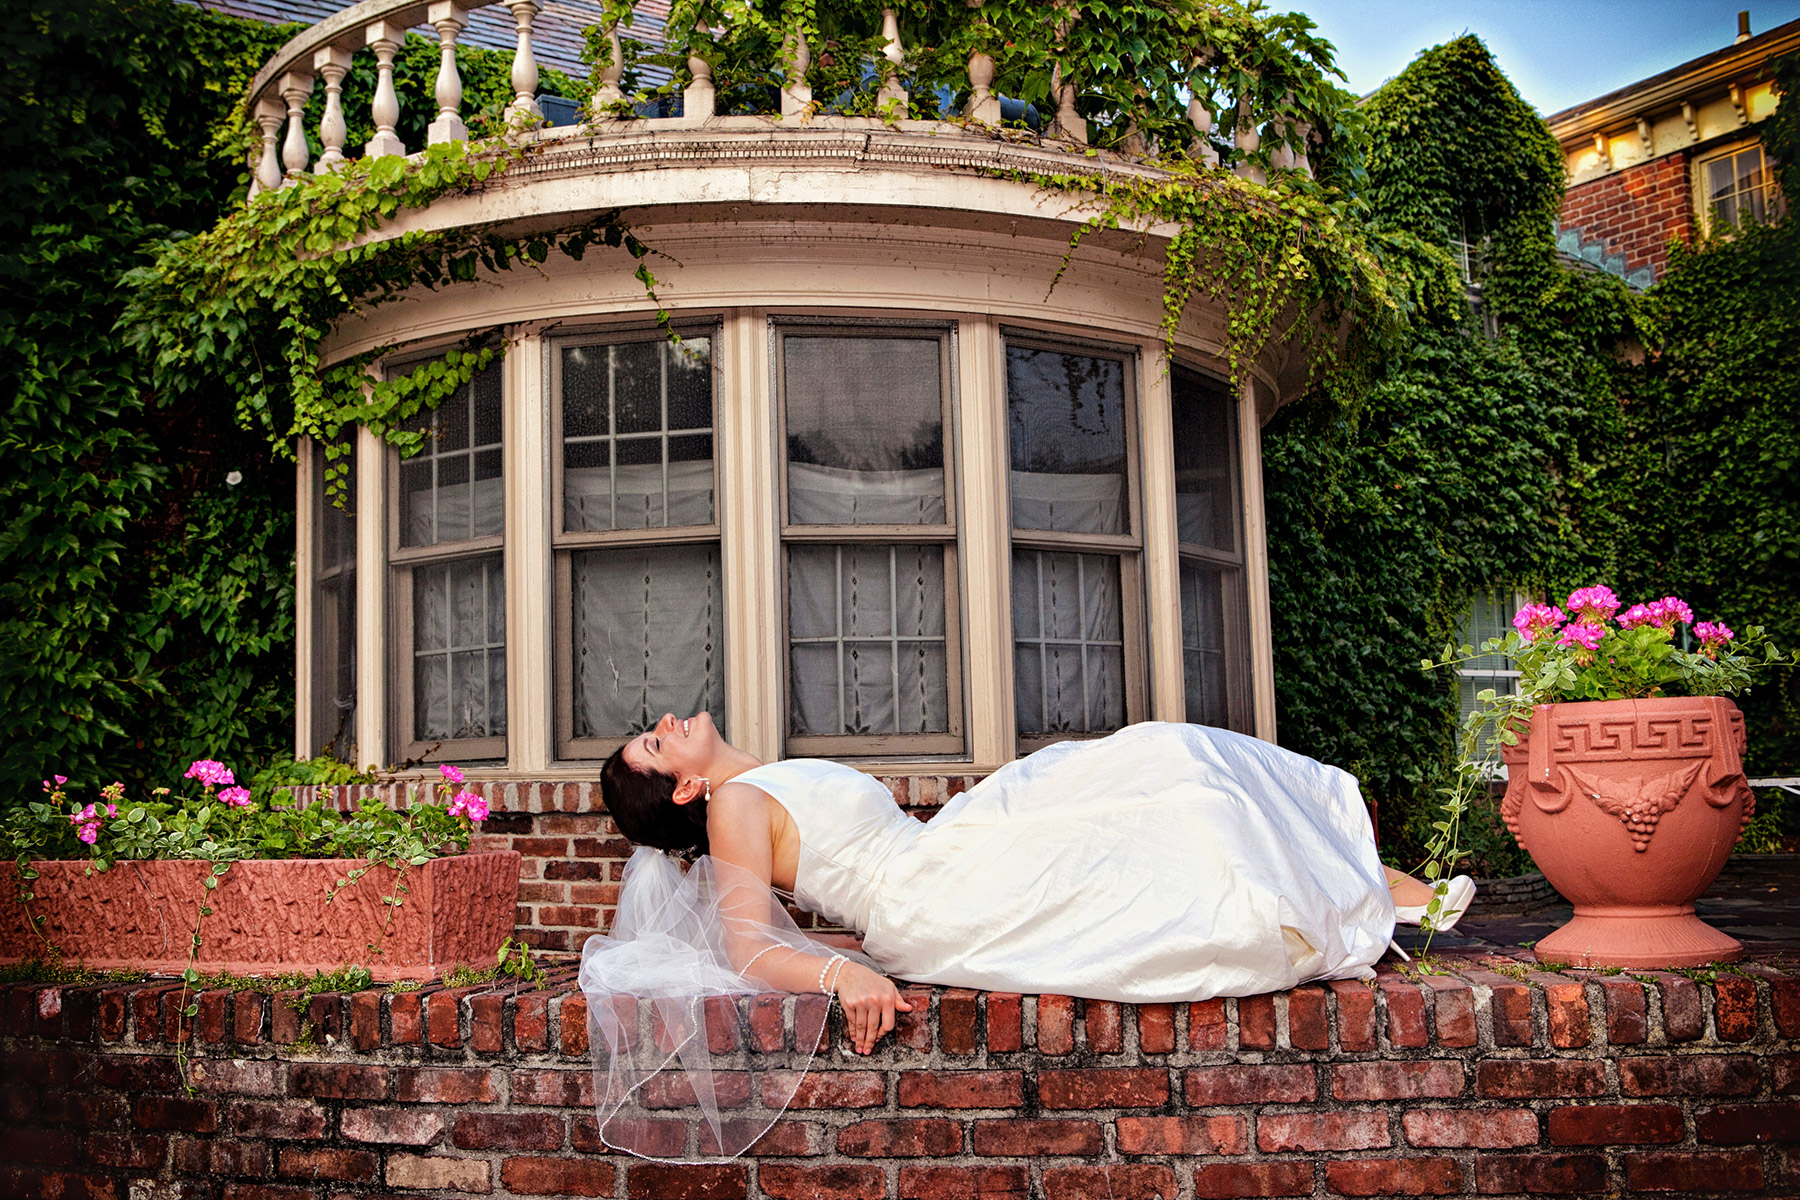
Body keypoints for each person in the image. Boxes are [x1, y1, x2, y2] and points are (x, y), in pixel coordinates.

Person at [580, 712, 1472, 1160]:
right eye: (654, 748)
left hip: (940, 854)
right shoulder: (737, 802)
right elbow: (744, 944)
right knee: (1160, 814)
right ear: (688, 793)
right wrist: (838, 981)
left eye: (651, 731)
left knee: (1158, 758)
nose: (663, 726)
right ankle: (1360, 899)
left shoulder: (763, 773)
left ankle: (1361, 885)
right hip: (931, 895)